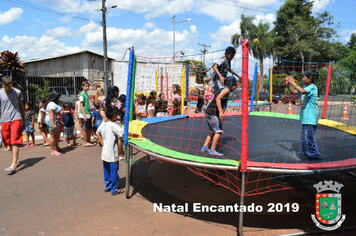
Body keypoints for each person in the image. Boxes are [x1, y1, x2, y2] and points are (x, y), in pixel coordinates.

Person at [285, 69, 322, 161]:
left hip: (310, 118)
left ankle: (314, 156)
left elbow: (301, 91)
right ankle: (314, 155)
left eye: (304, 77)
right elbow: (294, 92)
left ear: (309, 79)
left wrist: (293, 82)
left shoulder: (312, 87)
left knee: (306, 139)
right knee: (307, 138)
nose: (302, 78)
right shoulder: (306, 88)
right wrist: (288, 84)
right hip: (306, 119)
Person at [201, 76, 238, 156]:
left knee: (213, 131)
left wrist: (221, 113)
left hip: (211, 113)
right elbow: (218, 98)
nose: (235, 88)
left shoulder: (224, 89)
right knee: (218, 131)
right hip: (212, 113)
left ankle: (205, 147)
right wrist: (221, 112)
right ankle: (212, 150)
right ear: (231, 85)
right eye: (235, 85)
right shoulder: (226, 90)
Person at [96, 105, 125, 195]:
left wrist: (102, 143)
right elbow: (122, 133)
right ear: (113, 115)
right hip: (112, 153)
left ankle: (108, 186)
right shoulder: (113, 125)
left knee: (107, 170)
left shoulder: (103, 123)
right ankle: (114, 189)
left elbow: (98, 133)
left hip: (105, 152)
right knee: (113, 171)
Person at [0, 76, 26, 173]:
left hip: (15, 119)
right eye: (6, 86)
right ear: (2, 85)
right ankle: (16, 160)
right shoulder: (0, 93)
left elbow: (21, 107)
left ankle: (14, 164)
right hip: (4, 120)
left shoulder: (17, 92)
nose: (8, 88)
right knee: (8, 141)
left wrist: (23, 120)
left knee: (15, 141)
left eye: (10, 86)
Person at [44, 91, 63, 155]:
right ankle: (53, 150)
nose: (59, 98)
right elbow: (51, 115)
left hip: (55, 120)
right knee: (53, 135)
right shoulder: (52, 104)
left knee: (56, 134)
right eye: (59, 97)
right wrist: (52, 124)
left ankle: (57, 147)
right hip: (51, 121)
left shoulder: (54, 103)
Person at [79, 81, 95, 147]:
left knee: (89, 128)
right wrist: (84, 115)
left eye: (88, 86)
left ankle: (88, 141)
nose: (87, 87)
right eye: (86, 86)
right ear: (82, 87)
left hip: (88, 113)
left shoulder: (86, 94)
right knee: (85, 128)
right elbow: (81, 105)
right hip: (84, 114)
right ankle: (85, 142)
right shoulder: (82, 94)